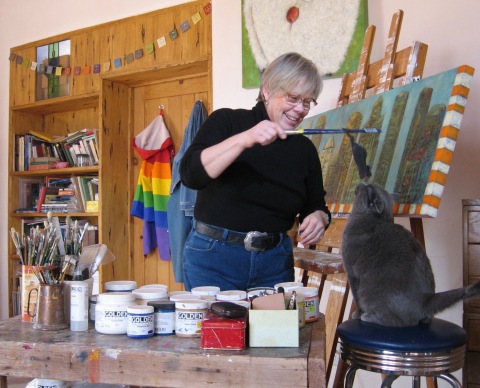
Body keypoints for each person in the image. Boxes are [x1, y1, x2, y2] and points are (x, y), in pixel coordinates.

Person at [180, 52, 331, 291]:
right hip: (213, 259)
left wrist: (319, 218)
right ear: (268, 90)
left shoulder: (304, 149)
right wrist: (245, 139)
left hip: (275, 262)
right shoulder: (227, 122)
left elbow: (316, 204)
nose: (300, 109)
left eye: (307, 102)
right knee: (219, 330)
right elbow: (191, 174)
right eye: (293, 98)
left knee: (273, 330)